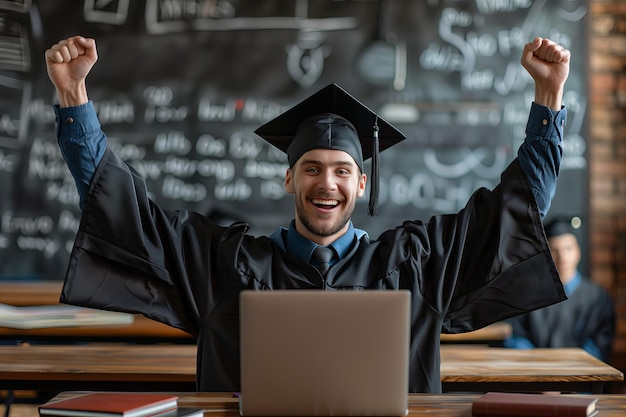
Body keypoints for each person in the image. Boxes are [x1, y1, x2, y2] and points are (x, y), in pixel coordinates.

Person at [45, 35, 570, 393]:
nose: (327, 183)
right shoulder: (223, 263)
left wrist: (548, 98)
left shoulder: (414, 265)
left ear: (361, 184)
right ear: (289, 178)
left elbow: (514, 212)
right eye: (312, 169)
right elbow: (123, 212)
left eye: (342, 170)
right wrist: (74, 98)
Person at [504, 218, 616, 362]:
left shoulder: (597, 297)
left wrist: (570, 368)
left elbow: (600, 344)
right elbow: (517, 338)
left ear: (578, 252)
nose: (562, 257)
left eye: (568, 248)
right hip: (537, 378)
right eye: (555, 250)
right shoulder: (528, 296)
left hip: (582, 378)